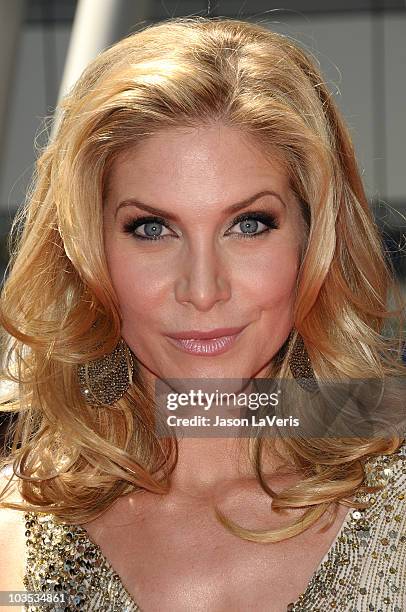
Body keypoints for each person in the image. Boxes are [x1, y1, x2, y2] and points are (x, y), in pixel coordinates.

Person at [0, 15, 405, 612]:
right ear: (87, 251)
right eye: (153, 228)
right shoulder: (14, 533)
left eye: (248, 225)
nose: (202, 289)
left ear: (314, 238)